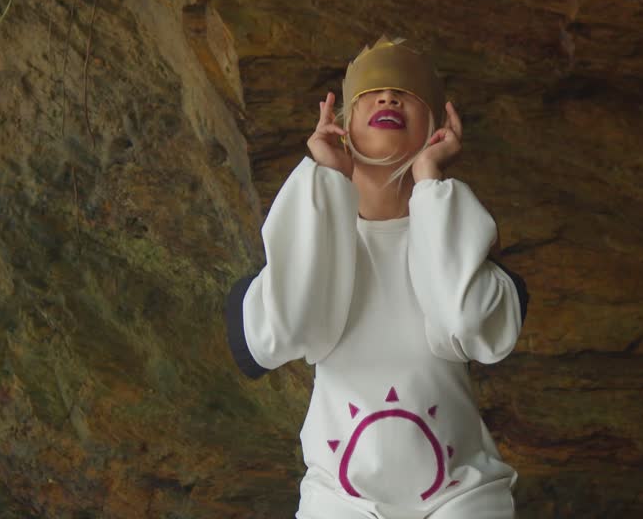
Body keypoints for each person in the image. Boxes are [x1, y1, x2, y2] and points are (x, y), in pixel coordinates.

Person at [226, 38, 528, 519]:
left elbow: (466, 323)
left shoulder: (456, 237)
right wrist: (323, 179)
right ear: (343, 124)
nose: (387, 99)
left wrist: (431, 182)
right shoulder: (315, 231)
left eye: (405, 93)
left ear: (435, 127)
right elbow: (279, 333)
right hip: (338, 503)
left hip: (463, 501)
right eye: (372, 92)